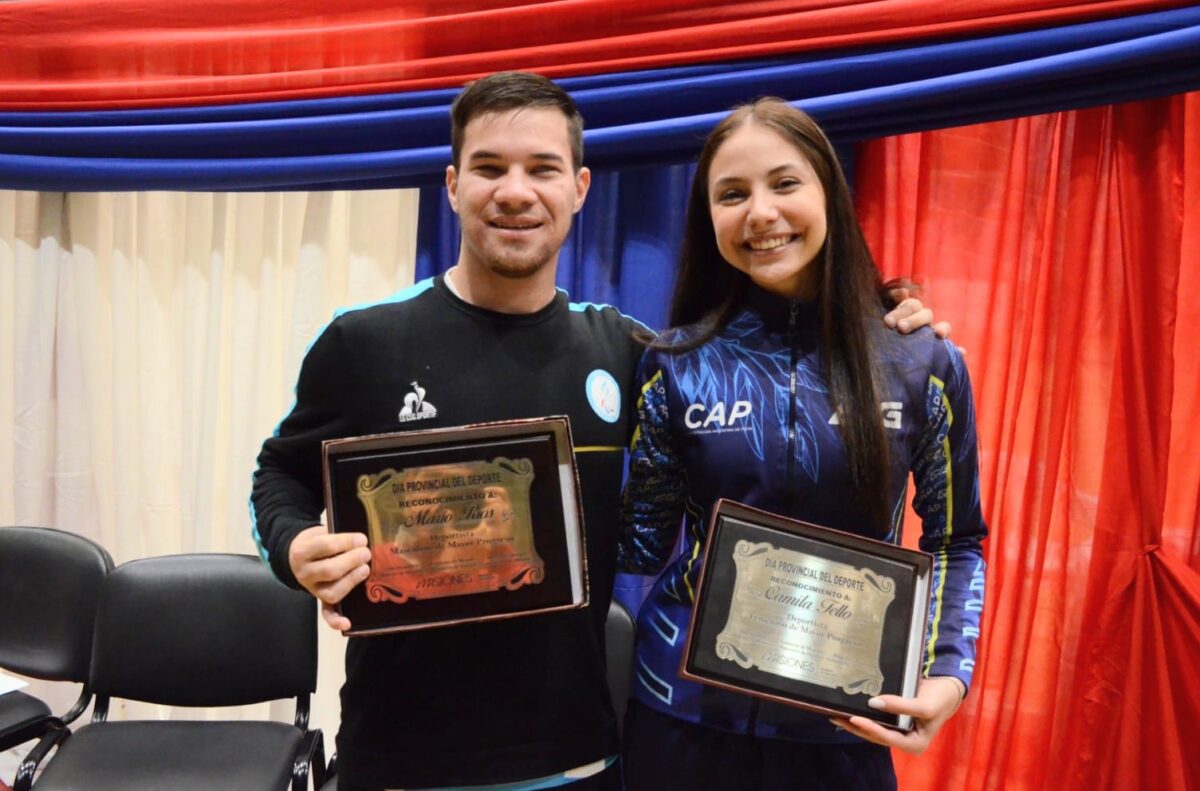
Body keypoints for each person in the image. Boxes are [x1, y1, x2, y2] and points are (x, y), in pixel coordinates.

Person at [250, 73, 946, 791]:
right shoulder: (362, 342)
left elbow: (760, 370)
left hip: (578, 759)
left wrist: (884, 331)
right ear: (453, 184)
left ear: (580, 188)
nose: (516, 192)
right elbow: (276, 477)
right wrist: (295, 546)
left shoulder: (631, 352)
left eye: (543, 168)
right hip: (396, 760)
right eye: (489, 167)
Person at [617, 98, 987, 791]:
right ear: (709, 218)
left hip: (843, 728)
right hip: (680, 724)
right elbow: (636, 554)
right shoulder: (675, 362)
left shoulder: (922, 362)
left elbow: (955, 540)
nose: (760, 212)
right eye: (732, 194)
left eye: (785, 183)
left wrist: (948, 672)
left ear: (829, 193)